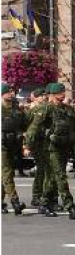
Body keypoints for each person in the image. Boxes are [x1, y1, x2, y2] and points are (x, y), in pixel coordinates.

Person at [24, 82, 75, 220]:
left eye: (63, 92)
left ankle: (44, 203)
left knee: (52, 178)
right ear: (53, 95)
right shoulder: (45, 109)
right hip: (50, 149)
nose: (63, 95)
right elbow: (33, 128)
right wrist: (27, 146)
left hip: (64, 147)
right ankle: (70, 207)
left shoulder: (67, 109)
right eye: (60, 93)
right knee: (61, 176)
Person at [1, 83, 29, 215]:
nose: (12, 94)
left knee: (5, 174)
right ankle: (15, 202)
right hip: (2, 146)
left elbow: (24, 125)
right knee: (8, 173)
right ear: (3, 94)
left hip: (14, 145)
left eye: (12, 91)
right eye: (9, 91)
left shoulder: (16, 108)